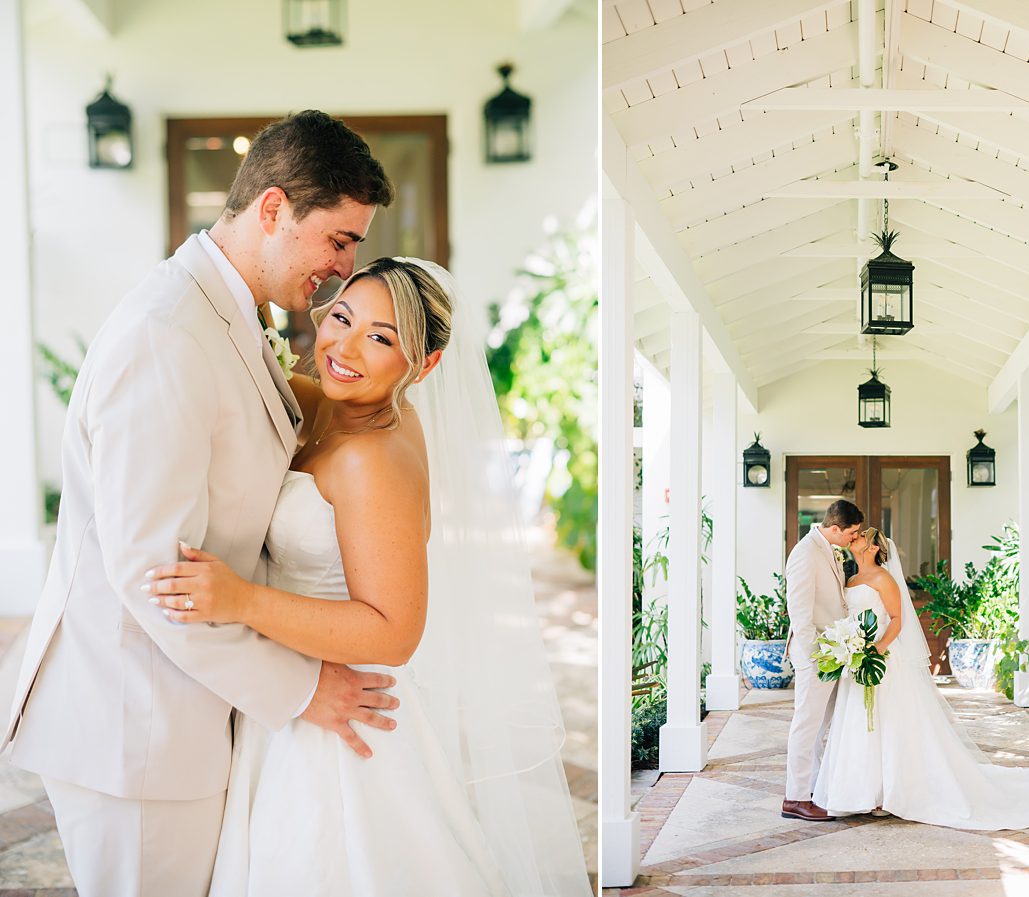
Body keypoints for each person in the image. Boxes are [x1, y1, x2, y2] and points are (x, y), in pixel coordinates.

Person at [2, 111, 399, 897]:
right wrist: (300, 688)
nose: (345, 264)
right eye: (340, 239)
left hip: (178, 717)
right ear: (275, 209)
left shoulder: (224, 311)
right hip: (134, 727)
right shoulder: (167, 333)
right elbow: (154, 574)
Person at [145, 258, 590, 895]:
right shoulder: (334, 403)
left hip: (342, 719)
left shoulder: (371, 459)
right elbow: (232, 378)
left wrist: (241, 600)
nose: (344, 347)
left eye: (381, 339)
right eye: (343, 318)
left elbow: (392, 633)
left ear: (424, 366)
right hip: (292, 691)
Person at [812, 527, 1029, 829]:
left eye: (861, 536)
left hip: (883, 660)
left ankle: (889, 792)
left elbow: (898, 620)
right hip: (857, 660)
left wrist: (876, 649)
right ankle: (862, 791)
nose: (855, 538)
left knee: (888, 725)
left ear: (874, 549)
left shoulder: (884, 580)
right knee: (859, 724)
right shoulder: (851, 579)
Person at [781, 499, 862, 822]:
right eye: (851, 533)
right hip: (816, 655)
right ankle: (795, 797)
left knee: (819, 727)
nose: (853, 539)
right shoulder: (804, 554)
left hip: (832, 652)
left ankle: (812, 788)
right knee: (806, 724)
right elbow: (799, 615)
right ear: (833, 528)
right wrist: (817, 656)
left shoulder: (827, 548)